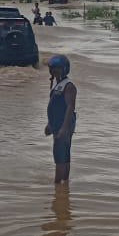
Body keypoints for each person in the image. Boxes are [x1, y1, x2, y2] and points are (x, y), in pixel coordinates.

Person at [44, 55, 77, 184]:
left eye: (57, 69)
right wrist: (49, 124)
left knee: (60, 155)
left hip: (64, 124)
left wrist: (64, 128)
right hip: (57, 123)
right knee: (63, 155)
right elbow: (53, 105)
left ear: (64, 69)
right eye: (52, 69)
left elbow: (70, 107)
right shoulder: (56, 84)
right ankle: (64, 184)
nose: (54, 71)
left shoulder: (69, 86)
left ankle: (57, 184)